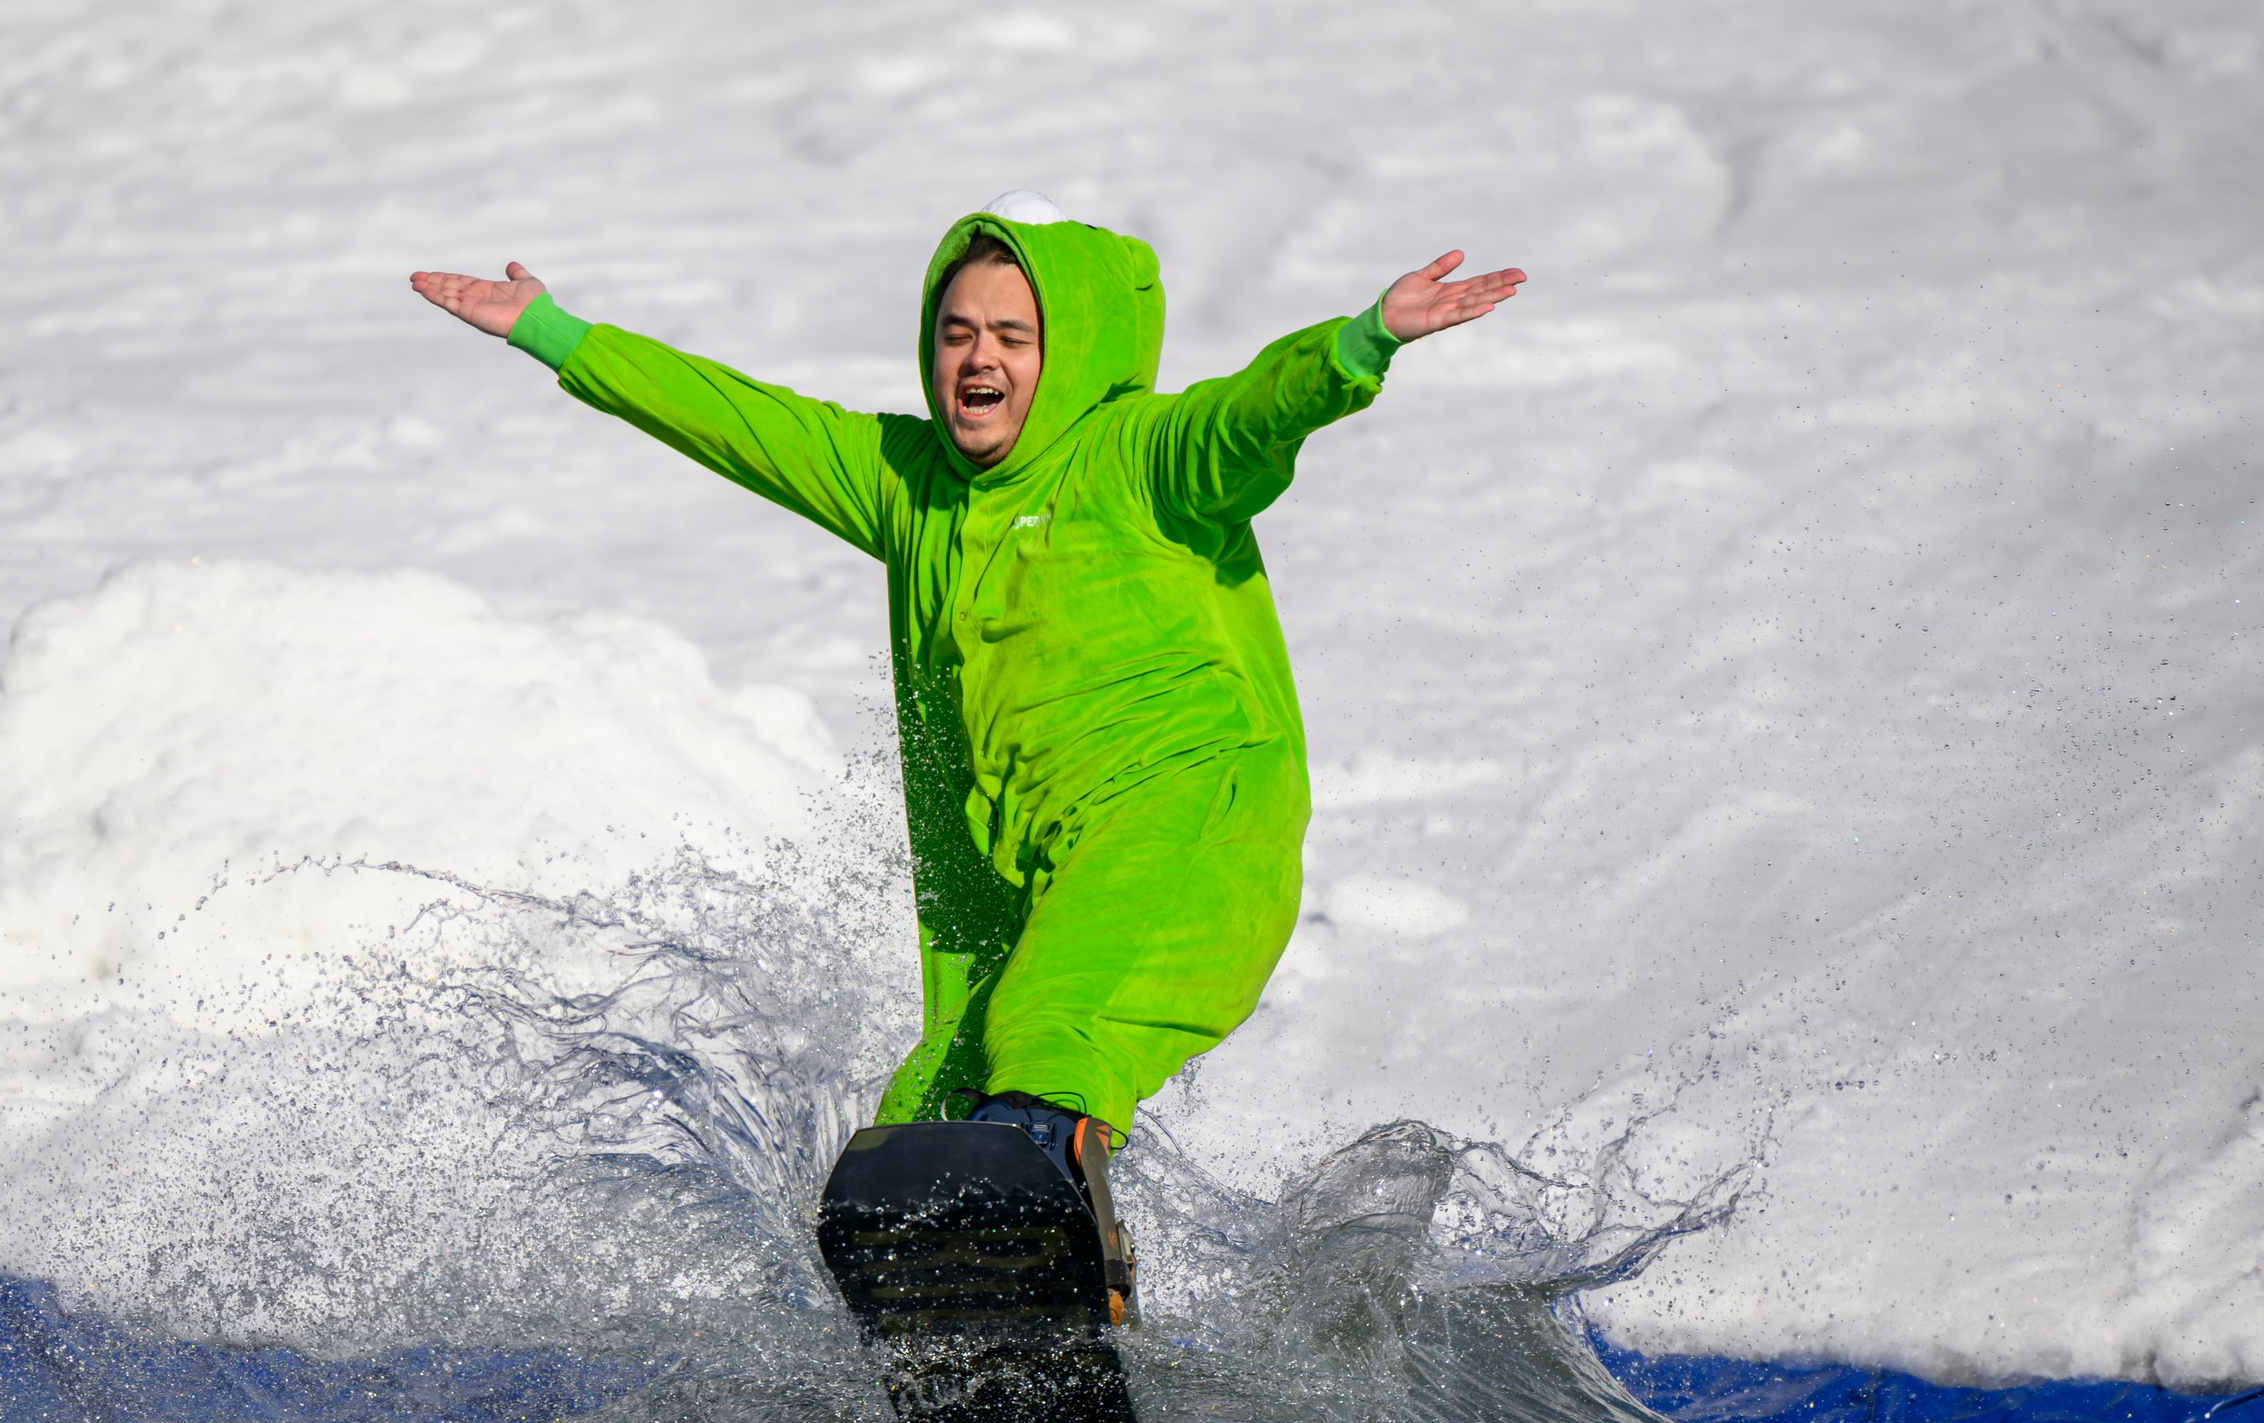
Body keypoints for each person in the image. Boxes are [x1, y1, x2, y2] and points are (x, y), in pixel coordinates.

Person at [412, 192, 1522, 1227]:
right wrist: (558, 334)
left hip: (1185, 829)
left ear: (1067, 352)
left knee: (1048, 1030)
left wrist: (1357, 345)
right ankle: (995, 1339)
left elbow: (1247, 418)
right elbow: (747, 424)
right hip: (1032, 872)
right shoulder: (916, 486)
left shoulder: (1140, 459)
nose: (977, 358)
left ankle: (1025, 1223)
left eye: (1012, 336)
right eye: (956, 332)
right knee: (923, 1120)